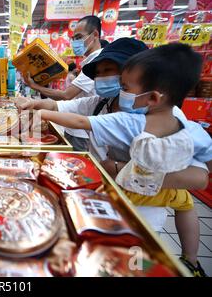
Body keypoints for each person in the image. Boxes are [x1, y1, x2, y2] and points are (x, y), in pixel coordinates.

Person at [30, 43, 212, 276]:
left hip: (141, 211)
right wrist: (34, 103)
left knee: (130, 265)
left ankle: (188, 262)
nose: (102, 78)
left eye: (110, 71)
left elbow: (198, 177)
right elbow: (63, 107)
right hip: (101, 201)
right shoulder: (100, 103)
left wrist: (120, 169)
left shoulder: (166, 118)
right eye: (99, 72)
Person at [22, 15, 103, 151]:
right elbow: (63, 103)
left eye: (79, 37)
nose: (75, 42)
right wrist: (35, 103)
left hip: (83, 130)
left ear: (95, 34)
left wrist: (35, 87)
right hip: (75, 124)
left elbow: (66, 95)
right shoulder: (88, 63)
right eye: (73, 39)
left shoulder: (97, 63)